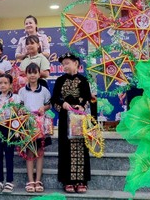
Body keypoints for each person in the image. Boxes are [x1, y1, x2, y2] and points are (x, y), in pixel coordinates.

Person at [50, 52, 92, 193]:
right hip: (65, 118)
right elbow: (54, 99)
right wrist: (62, 104)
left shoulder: (84, 80)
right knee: (65, 147)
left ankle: (81, 180)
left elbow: (87, 98)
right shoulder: (60, 80)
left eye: (67, 63)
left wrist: (82, 106)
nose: (64, 66)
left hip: (79, 119)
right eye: (63, 64)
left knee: (80, 147)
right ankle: (67, 181)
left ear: (76, 63)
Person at [18, 63, 51, 193]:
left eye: (35, 72)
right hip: (27, 125)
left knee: (40, 152)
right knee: (30, 152)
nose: (32, 75)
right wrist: (21, 111)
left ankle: (38, 180)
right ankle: (30, 180)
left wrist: (44, 108)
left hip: (40, 125)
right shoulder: (21, 91)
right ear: (26, 74)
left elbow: (48, 105)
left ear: (39, 74)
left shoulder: (44, 90)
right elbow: (19, 106)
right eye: (30, 72)